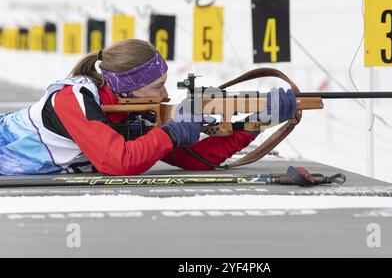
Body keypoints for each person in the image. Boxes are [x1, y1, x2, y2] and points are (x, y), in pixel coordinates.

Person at [0, 39, 296, 176]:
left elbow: (195, 160)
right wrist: (173, 132)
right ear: (127, 86)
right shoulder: (73, 99)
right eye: (157, 85)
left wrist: (256, 122)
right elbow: (116, 162)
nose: (165, 94)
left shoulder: (137, 109)